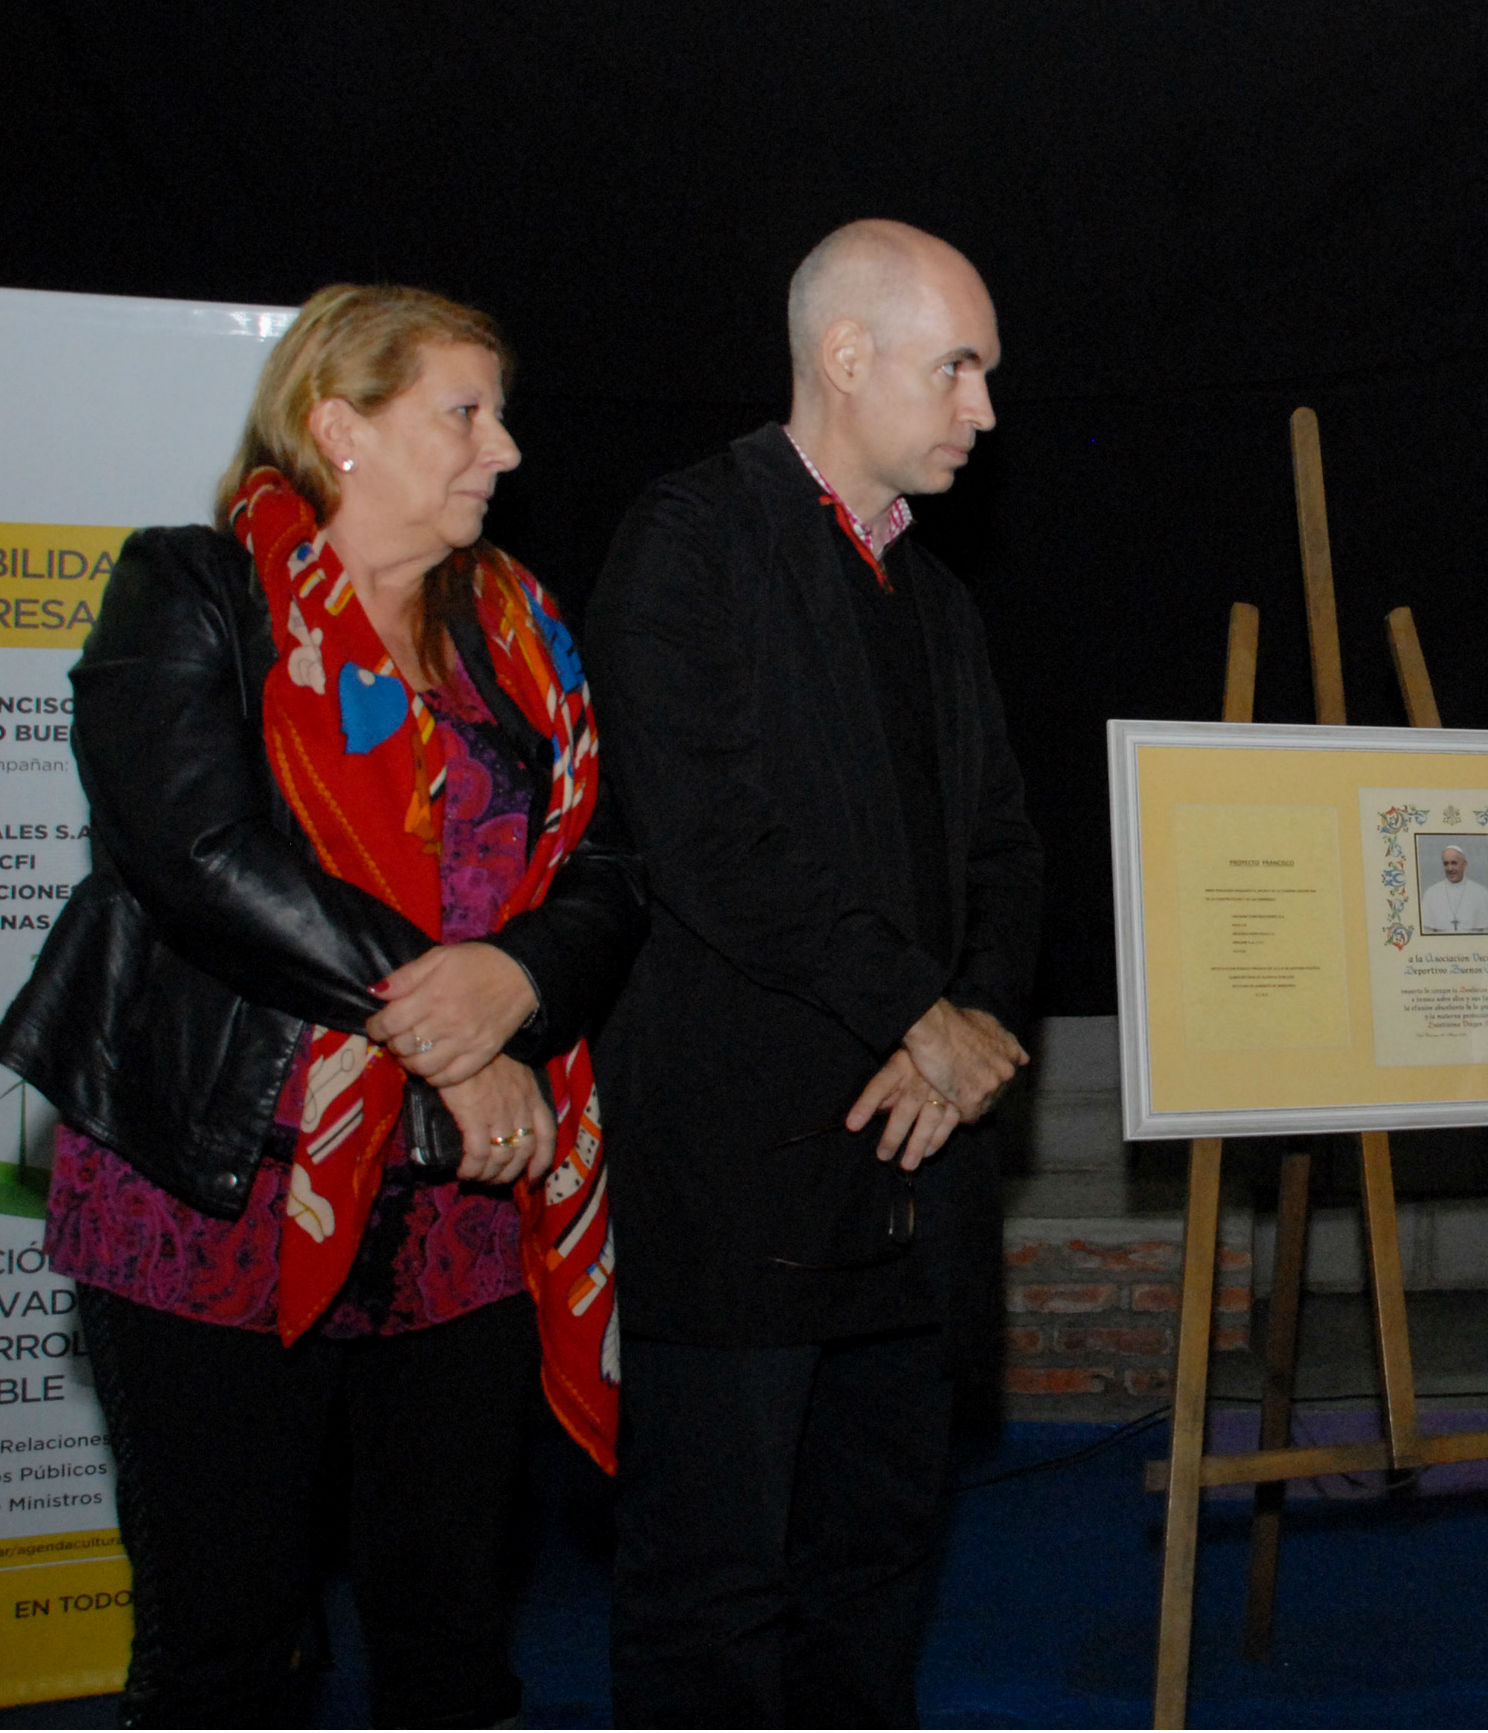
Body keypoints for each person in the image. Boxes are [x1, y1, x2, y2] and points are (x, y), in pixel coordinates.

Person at [0, 283, 645, 1726]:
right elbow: (197, 852)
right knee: (227, 1647)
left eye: (499, 413)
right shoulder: (188, 588)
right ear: (339, 426)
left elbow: (608, 865)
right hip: (218, 1192)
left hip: (464, 1212)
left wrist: (520, 980)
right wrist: (452, 1034)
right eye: (463, 412)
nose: (504, 449)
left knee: (451, 1633)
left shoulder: (517, 627)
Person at [583, 218, 1044, 1726]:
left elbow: (1005, 852)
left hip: (917, 1174)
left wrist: (967, 1028)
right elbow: (705, 839)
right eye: (956, 367)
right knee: (712, 1585)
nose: (983, 408)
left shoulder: (939, 599)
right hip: (739, 1177)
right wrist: (919, 1010)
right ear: (846, 356)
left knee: (877, 1558)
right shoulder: (690, 539)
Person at [1421, 842, 1488, 932]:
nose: (1450, 868)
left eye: (1454, 863)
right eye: (1446, 864)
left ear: (1464, 864)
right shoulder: (1431, 894)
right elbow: (1426, 931)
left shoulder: (1482, 894)